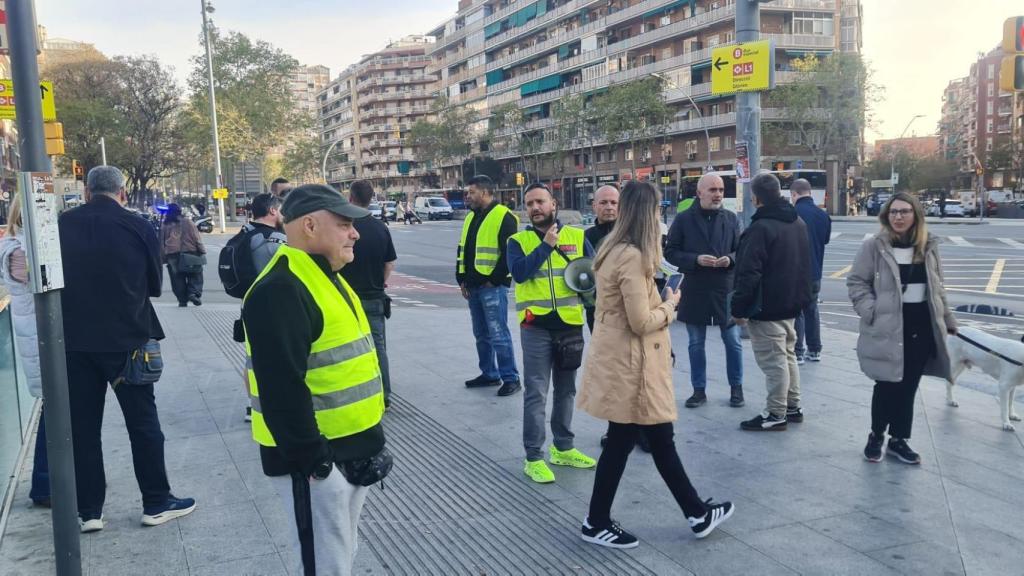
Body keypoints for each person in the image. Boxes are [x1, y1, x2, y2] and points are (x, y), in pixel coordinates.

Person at [577, 180, 733, 549]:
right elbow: (641, 322)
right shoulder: (630, 255)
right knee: (625, 442)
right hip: (632, 365)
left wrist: (656, 299)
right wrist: (670, 304)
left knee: (656, 440)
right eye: (657, 210)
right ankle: (596, 521)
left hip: (629, 362)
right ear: (648, 214)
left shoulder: (614, 248)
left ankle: (696, 513)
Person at [242, 184, 388, 576]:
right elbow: (281, 389)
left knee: (339, 555)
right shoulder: (280, 289)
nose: (354, 233)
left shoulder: (324, 276)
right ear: (309, 225)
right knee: (323, 564)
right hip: (317, 463)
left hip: (347, 453)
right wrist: (316, 465)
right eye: (344, 224)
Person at [60, 166, 195, 533]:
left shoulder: (59, 224)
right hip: (128, 341)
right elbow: (154, 285)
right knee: (143, 423)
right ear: (122, 192)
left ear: (87, 192)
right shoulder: (137, 226)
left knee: (84, 428)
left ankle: (89, 511)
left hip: (73, 343)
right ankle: (156, 501)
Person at [847, 192, 956, 464]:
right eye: (893, 212)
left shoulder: (928, 246)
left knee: (908, 385)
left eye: (904, 211)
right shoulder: (874, 246)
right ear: (886, 216)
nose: (898, 217)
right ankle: (876, 435)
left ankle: (899, 439)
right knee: (886, 383)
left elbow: (938, 287)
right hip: (888, 324)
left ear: (915, 215)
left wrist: (948, 319)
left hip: (921, 323)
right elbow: (856, 282)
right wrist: (870, 311)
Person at [507, 183, 596, 484]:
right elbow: (519, 274)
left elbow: (593, 277)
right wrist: (546, 245)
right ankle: (534, 456)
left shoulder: (578, 236)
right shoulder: (517, 241)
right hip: (536, 327)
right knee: (536, 392)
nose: (535, 208)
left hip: (570, 324)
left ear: (553, 204)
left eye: (540, 202)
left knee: (567, 390)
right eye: (530, 203)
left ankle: (563, 447)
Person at [731, 173, 812, 432]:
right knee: (787, 356)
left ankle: (776, 413)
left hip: (766, 307)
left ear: (755, 198)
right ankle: (792, 406)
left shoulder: (760, 228)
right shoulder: (797, 222)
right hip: (791, 304)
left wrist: (739, 309)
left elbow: (748, 273)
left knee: (774, 362)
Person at [665, 173, 744, 409]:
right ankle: (698, 390)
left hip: (724, 288)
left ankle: (736, 388)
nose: (718, 194)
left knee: (732, 341)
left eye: (720, 189)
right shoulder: (683, 219)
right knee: (695, 343)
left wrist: (729, 260)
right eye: (712, 190)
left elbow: (741, 251)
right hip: (695, 288)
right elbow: (670, 252)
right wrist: (696, 259)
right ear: (699, 193)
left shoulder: (731, 219)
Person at [0, 193, 48, 507]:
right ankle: (45, 483)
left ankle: (50, 480)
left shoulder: (13, 245)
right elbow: (44, 281)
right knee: (55, 409)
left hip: (32, 331)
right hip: (38, 334)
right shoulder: (20, 250)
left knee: (56, 409)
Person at [457, 174, 520, 396]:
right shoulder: (470, 217)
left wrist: (493, 280)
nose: (468, 196)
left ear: (484, 192)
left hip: (492, 287)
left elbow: (510, 254)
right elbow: (462, 250)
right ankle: (489, 373)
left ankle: (510, 378)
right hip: (473, 286)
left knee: (498, 333)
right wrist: (461, 278)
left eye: (471, 192)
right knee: (481, 334)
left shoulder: (505, 216)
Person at [342, 180, 397, 408]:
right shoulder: (380, 227)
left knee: (346, 348)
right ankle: (384, 394)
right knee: (378, 346)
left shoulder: (344, 227)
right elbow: (390, 262)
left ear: (351, 198)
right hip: (374, 297)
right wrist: (380, 282)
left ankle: (356, 393)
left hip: (346, 299)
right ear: (371, 198)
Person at [239, 193, 288, 423]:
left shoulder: (244, 233)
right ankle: (273, 405)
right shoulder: (275, 239)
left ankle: (252, 405)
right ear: (272, 211)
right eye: (280, 210)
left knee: (252, 358)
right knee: (277, 357)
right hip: (275, 306)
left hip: (248, 304)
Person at [791, 178, 831, 365]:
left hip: (797, 272)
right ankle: (814, 350)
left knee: (797, 311)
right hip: (816, 272)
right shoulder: (823, 215)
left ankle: (798, 351)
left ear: (794, 194)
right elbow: (824, 241)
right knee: (812, 309)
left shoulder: (792, 213)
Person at [584, 184, 619, 333]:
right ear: (594, 206)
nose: (609, 207)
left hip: (624, 306)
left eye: (613, 202)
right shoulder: (585, 237)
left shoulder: (632, 233)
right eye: (603, 202)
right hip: (596, 308)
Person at [160, 203, 206, 307]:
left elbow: (161, 243)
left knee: (177, 278)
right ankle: (193, 293)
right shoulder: (188, 222)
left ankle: (182, 300)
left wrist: (163, 258)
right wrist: (202, 250)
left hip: (172, 254)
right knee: (195, 274)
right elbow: (196, 238)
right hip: (190, 252)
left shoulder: (165, 225)